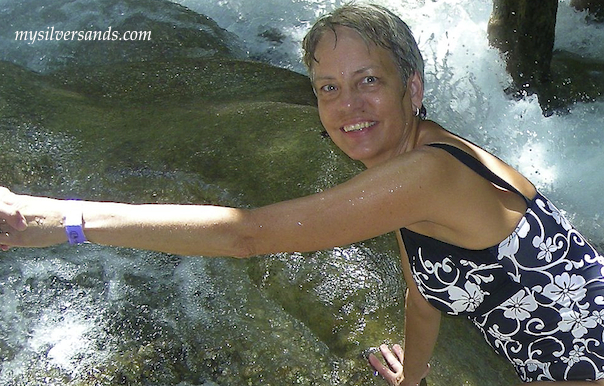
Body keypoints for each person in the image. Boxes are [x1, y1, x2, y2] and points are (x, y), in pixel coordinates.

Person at [1, 3, 603, 386]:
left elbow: (249, 234)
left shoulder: (423, 175)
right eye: (327, 88)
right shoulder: (416, 169)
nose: (348, 107)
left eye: (369, 80)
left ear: (411, 87)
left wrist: (56, 219)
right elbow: (424, 297)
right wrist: (413, 379)